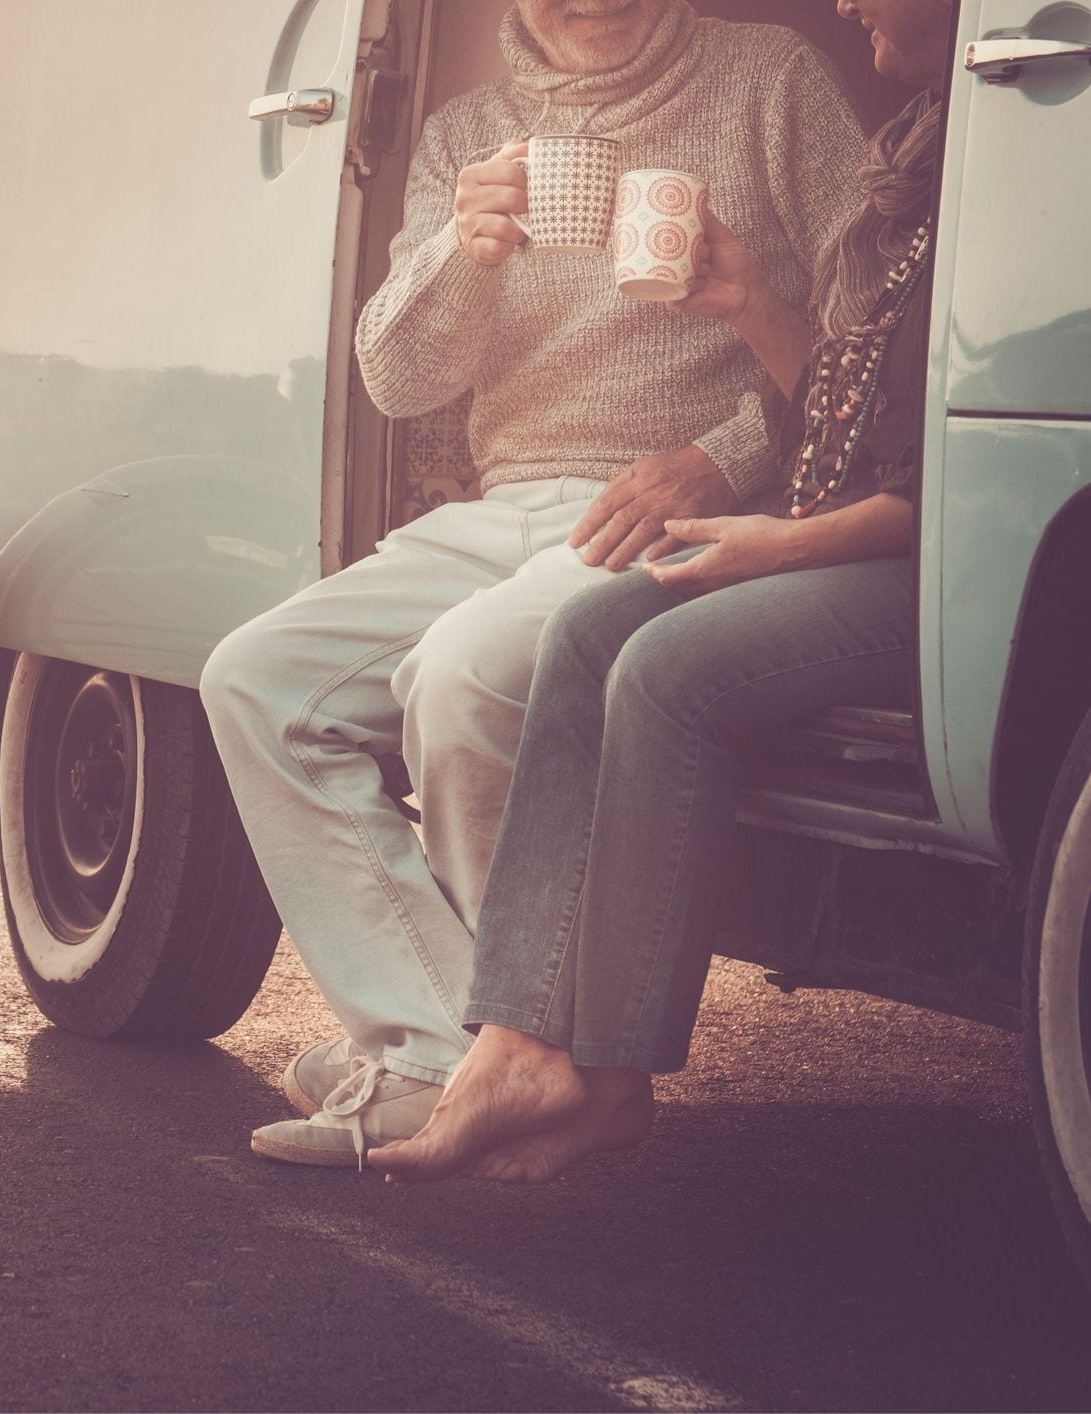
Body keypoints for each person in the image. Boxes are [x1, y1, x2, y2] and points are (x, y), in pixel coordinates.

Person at [200, 0, 867, 1165]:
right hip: (505, 505)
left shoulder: (774, 82)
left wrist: (725, 460)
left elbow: (872, 337)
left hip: (696, 500)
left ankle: (482, 1055)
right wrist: (460, 254)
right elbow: (398, 381)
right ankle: (452, 1051)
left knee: (460, 676)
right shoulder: (471, 132)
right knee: (253, 679)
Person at [370, 0, 957, 1185]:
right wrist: (463, 257)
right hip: (618, 503)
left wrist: (761, 523)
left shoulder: (918, 153)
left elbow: (924, 475)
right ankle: (523, 1042)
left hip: (860, 539)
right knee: (589, 635)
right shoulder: (910, 157)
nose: (844, 7)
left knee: (635, 664)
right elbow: (840, 402)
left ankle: (583, 1059)